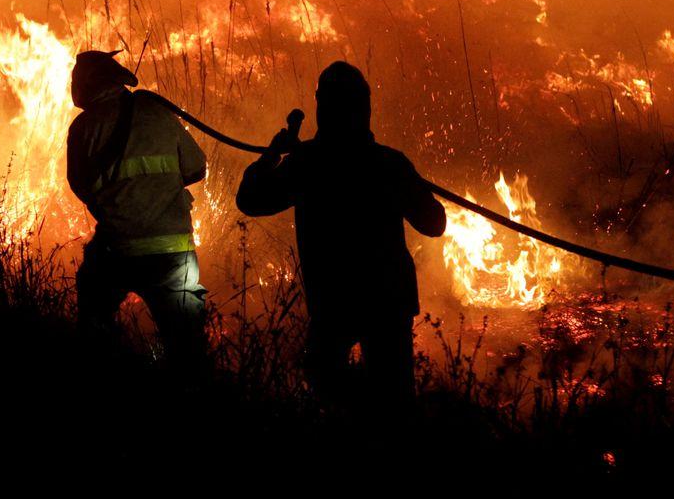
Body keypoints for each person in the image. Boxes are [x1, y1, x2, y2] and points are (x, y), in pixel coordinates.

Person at [236, 61, 446, 412]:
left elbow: (251, 199)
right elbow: (434, 224)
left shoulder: (307, 164)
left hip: (332, 299)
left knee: (328, 398)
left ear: (322, 108)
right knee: (394, 404)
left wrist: (273, 154)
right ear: (364, 107)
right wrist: (414, 188)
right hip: (387, 301)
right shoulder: (388, 163)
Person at [67, 50, 209, 376]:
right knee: (188, 349)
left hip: (117, 248)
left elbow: (80, 185)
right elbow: (196, 166)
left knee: (93, 319)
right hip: (174, 252)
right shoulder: (158, 113)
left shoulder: (84, 127)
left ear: (87, 85)